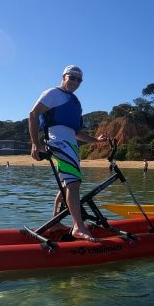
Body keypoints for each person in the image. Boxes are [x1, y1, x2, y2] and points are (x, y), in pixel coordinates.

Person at [29, 65, 107, 241]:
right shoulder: (53, 93)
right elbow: (33, 114)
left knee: (68, 184)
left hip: (70, 144)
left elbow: (77, 133)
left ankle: (55, 221)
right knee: (73, 183)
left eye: (79, 80)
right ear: (63, 77)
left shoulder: (74, 102)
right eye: (72, 77)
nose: (75, 82)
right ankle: (78, 227)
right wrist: (35, 143)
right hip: (58, 142)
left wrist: (96, 140)